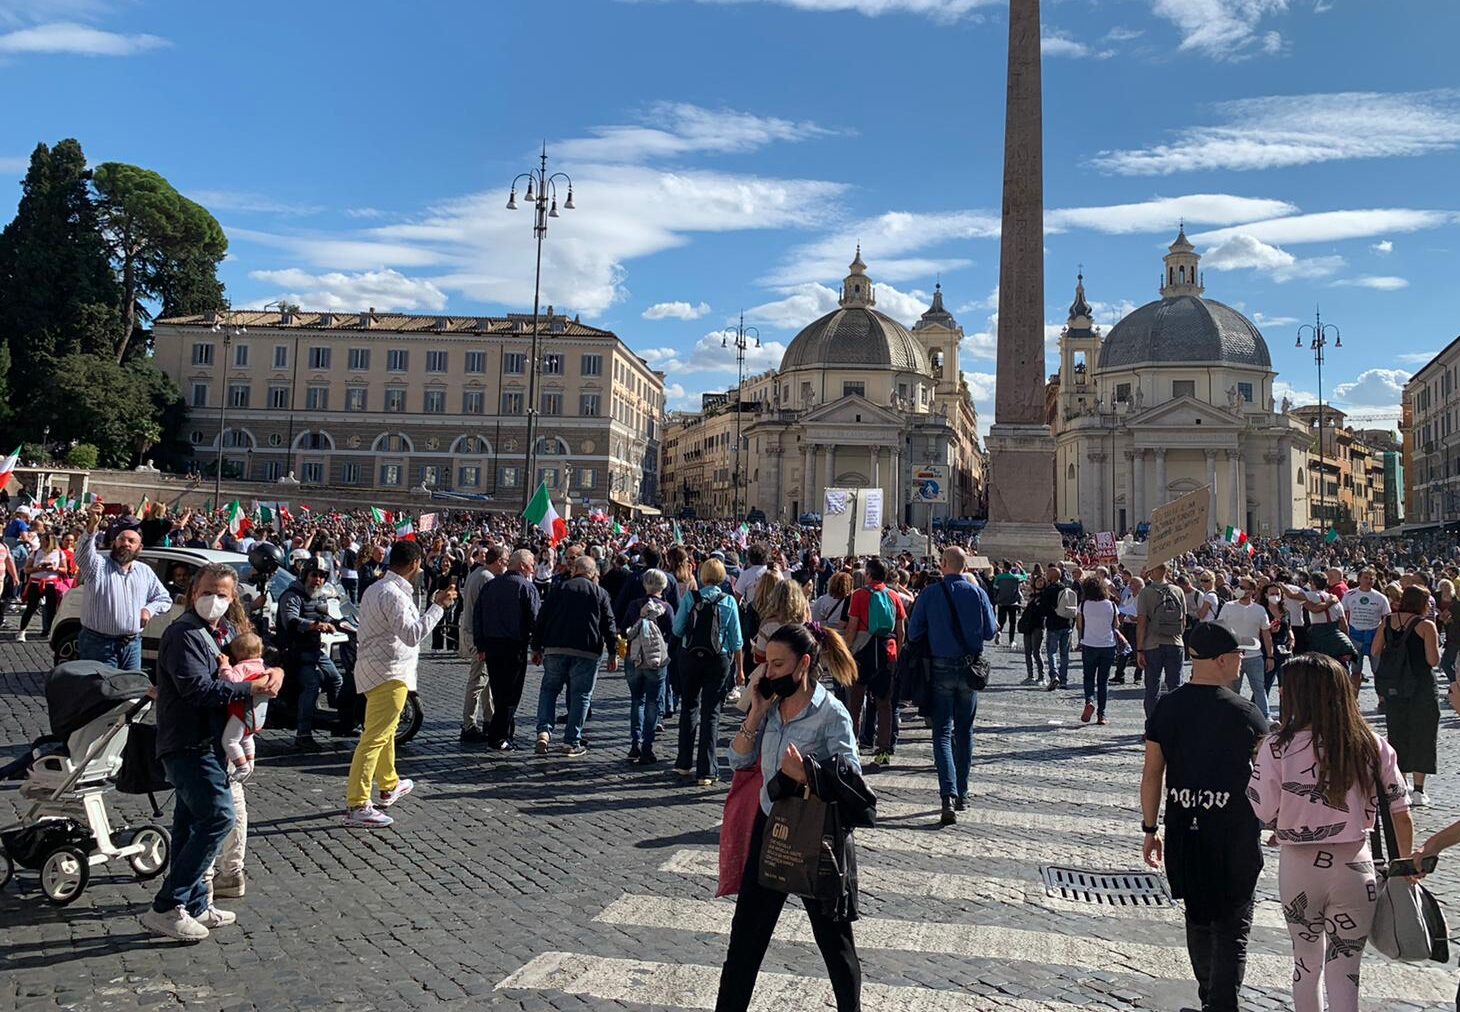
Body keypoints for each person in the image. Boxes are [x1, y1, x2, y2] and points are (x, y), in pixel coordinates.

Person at [1250, 652, 1415, 1012]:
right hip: (1356, 866)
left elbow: (1260, 809)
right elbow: (1401, 812)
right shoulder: (1370, 743)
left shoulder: (1277, 747)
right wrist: (1406, 866)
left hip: (1299, 868)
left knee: (1305, 965)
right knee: (1346, 970)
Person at [718, 622, 862, 1012]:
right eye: (767, 664)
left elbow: (854, 779)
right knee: (744, 944)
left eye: (778, 665)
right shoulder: (771, 709)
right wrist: (755, 713)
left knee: (835, 945)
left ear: (804, 664)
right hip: (770, 831)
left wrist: (809, 773)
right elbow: (738, 759)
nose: (770, 673)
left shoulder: (832, 714)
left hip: (816, 838)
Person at [141, 563, 282, 942]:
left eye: (222, 594)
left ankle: (199, 902)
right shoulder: (183, 634)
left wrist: (272, 673)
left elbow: (242, 667)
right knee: (219, 817)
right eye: (208, 592)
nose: (215, 599)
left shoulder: (212, 633)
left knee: (189, 823)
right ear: (192, 593)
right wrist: (251, 691)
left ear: (232, 597)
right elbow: (198, 690)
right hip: (187, 742)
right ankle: (168, 906)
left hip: (205, 742)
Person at [1141, 622, 1268, 1012]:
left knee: (1197, 917)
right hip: (1235, 834)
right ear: (1223, 660)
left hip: (1185, 828)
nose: (1242, 662)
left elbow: (1152, 773)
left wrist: (1150, 828)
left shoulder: (1167, 706)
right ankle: (1221, 1003)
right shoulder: (1247, 713)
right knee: (1232, 925)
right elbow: (1267, 779)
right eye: (1238, 656)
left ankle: (1208, 996)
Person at [345, 539, 454, 829]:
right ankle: (358, 803)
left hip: (375, 668)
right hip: (389, 672)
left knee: (385, 731)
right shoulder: (393, 594)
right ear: (416, 564)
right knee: (375, 738)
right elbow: (412, 634)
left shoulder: (375, 588)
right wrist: (438, 607)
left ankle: (389, 783)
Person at [907, 546, 996, 825]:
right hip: (969, 668)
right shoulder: (977, 592)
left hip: (940, 667)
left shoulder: (929, 594)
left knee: (942, 732)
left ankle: (947, 793)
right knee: (965, 731)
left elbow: (913, 631)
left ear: (944, 564)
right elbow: (991, 631)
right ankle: (963, 793)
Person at [532, 555, 618, 757]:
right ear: (593, 573)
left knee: (549, 690)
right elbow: (609, 624)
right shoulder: (600, 593)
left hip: (555, 648)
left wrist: (536, 647)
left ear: (574, 570)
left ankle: (544, 731)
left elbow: (542, 618)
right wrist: (613, 652)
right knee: (581, 695)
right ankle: (571, 741)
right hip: (586, 651)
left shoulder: (559, 588)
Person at [671, 556, 744, 786]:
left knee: (689, 708)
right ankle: (706, 770)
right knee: (711, 713)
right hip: (718, 659)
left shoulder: (691, 597)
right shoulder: (729, 601)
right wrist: (740, 669)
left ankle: (683, 762)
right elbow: (737, 640)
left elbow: (677, 628)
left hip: (690, 657)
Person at [75, 503, 173, 671]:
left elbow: (164, 598)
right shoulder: (98, 565)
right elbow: (83, 555)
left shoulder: (144, 571)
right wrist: (92, 526)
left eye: (131, 541)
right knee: (102, 691)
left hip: (132, 644)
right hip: (99, 645)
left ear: (139, 548)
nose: (126, 543)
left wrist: (149, 609)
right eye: (122, 539)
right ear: (114, 543)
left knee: (130, 690)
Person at [1372, 586, 1441, 808]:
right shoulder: (1425, 625)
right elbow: (1433, 660)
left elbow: (1375, 650)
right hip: (1420, 686)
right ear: (1422, 603)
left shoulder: (1387, 621)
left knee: (1398, 732)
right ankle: (1419, 789)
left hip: (1395, 687)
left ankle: (1399, 784)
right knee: (1423, 733)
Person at [842, 557, 906, 766]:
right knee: (884, 704)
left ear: (868, 574)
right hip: (887, 652)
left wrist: (846, 650)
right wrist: (897, 653)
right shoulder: (894, 596)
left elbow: (852, 628)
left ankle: (854, 745)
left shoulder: (859, 595)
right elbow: (900, 630)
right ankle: (883, 750)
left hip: (862, 653)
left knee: (855, 702)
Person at [276, 559, 345, 751]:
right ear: (305, 574)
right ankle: (303, 734)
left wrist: (344, 622)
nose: (318, 580)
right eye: (314, 575)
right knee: (311, 685)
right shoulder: (292, 595)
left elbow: (327, 615)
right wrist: (315, 625)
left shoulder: (318, 596)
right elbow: (290, 620)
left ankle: (341, 723)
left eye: (322, 576)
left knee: (336, 679)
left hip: (314, 650)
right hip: (294, 653)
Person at [475, 548, 540, 750]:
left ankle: (505, 732)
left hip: (492, 646)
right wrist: (538, 647)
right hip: (514, 647)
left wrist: (481, 644)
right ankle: (498, 735)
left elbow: (478, 616)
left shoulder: (491, 585)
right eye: (531, 564)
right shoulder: (526, 588)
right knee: (510, 694)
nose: (533, 569)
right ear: (522, 565)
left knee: (498, 690)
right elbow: (535, 620)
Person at [622, 567, 674, 764]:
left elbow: (625, 628)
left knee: (637, 701)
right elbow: (673, 632)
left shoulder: (635, 605)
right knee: (653, 702)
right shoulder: (666, 608)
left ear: (645, 584)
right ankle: (647, 747)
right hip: (656, 661)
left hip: (634, 658)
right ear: (663, 586)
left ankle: (635, 742)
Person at [458, 545, 505, 745]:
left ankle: (489, 718)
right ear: (499, 561)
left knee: (486, 680)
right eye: (506, 560)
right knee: (478, 681)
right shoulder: (488, 578)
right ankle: (469, 725)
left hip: (471, 632)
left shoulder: (477, 572)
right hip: (480, 637)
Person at [1214, 578, 1276, 722]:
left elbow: (1266, 634)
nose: (1241, 590)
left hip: (1255, 655)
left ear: (1252, 591)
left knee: (1259, 689)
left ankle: (1265, 718)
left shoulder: (1260, 610)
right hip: (1232, 655)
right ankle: (1231, 717)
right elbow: (1220, 628)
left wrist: (1270, 656)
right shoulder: (1228, 606)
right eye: (1240, 587)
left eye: (1245, 587)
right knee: (1232, 690)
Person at [1137, 561, 1187, 724]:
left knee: (1152, 688)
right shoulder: (1178, 590)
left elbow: (1142, 623)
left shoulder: (1146, 592)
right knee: (1176, 687)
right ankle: (1175, 725)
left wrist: (1139, 649)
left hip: (1153, 644)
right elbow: (1184, 621)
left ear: (1156, 571)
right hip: (1176, 642)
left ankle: (1152, 725)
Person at [218, 631, 270, 782]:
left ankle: (241, 765)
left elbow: (232, 681)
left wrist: (225, 666)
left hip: (241, 712)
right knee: (247, 738)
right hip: (257, 714)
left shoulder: (243, 667)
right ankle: (251, 761)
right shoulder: (262, 667)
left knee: (230, 741)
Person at [1075, 576, 1120, 725]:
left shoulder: (1083, 605)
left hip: (1089, 643)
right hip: (1107, 645)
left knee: (1088, 677)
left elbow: (1080, 625)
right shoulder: (1111, 605)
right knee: (1103, 681)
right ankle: (1102, 715)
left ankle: (1089, 700)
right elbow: (1116, 624)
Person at [16, 530, 71, 642]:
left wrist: (55, 568)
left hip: (51, 584)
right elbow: (26, 569)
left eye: (44, 540)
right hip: (36, 582)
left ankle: (49, 631)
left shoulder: (59, 553)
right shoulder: (36, 552)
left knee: (51, 609)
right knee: (31, 607)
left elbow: (65, 569)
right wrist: (38, 568)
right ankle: (21, 631)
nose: (42, 542)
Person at [1343, 568, 1390, 682]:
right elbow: (1343, 614)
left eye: (1371, 578)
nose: (1369, 580)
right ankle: (1354, 698)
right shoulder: (1349, 594)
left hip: (1374, 636)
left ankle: (1382, 698)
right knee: (1355, 671)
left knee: (1377, 670)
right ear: (1359, 579)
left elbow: (1387, 618)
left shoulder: (1380, 597)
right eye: (1365, 578)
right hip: (1355, 636)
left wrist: (1384, 637)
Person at [1040, 563, 1075, 689]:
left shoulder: (1049, 590)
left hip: (1053, 625)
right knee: (1064, 653)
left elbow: (1043, 609)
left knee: (1052, 652)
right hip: (1067, 624)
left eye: (1048, 574)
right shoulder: (1066, 589)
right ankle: (1064, 679)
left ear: (1052, 577)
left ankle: (1054, 675)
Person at [1018, 572, 1048, 684]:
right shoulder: (1031, 596)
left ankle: (1042, 677)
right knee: (1027, 652)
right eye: (1038, 581)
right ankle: (1030, 675)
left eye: (1042, 581)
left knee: (1036, 652)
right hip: (1028, 625)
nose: (1039, 583)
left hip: (1038, 625)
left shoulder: (1045, 596)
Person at [1113, 575, 1143, 686]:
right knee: (1123, 651)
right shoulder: (1129, 595)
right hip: (1126, 625)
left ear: (1139, 586)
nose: (1129, 586)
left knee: (1137, 651)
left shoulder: (1144, 598)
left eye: (1132, 584)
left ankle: (1138, 676)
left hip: (1137, 626)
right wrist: (1119, 623)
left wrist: (1137, 618)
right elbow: (1123, 610)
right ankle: (1119, 675)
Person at [991, 561, 1022, 647]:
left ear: (1004, 568)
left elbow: (995, 589)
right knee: (1012, 622)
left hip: (1002, 602)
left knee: (1001, 621)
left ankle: (999, 632)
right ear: (1011, 568)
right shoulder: (1015, 577)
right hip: (1012, 602)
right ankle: (1011, 641)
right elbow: (1024, 579)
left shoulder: (998, 577)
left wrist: (997, 598)